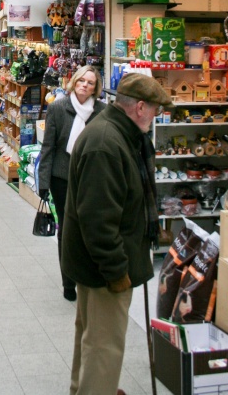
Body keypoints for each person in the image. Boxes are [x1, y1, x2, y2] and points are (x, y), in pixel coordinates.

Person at [62, 73, 172, 395]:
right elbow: (98, 220)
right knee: (104, 345)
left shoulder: (119, 135)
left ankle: (87, 390)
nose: (156, 116)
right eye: (155, 109)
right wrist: (117, 272)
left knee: (91, 336)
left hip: (96, 264)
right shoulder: (107, 144)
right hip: (104, 271)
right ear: (139, 107)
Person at [37, 65, 104, 302]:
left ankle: (87, 273)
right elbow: (49, 146)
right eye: (81, 80)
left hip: (90, 178)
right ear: (74, 81)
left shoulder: (101, 111)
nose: (85, 85)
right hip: (62, 177)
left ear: (96, 88)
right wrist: (43, 182)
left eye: (90, 82)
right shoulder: (57, 107)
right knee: (67, 229)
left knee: (88, 227)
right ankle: (68, 282)